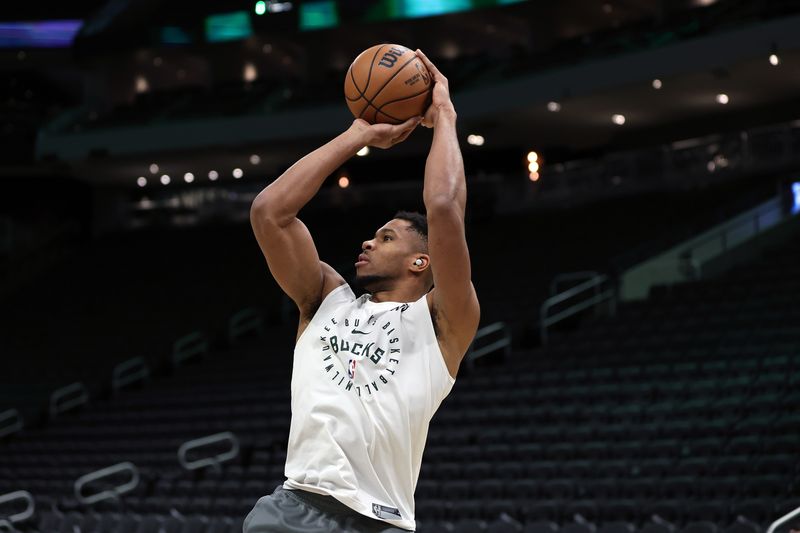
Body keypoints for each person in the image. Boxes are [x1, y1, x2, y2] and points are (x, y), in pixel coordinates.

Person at [244, 49, 480, 533]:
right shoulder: (325, 298)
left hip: (377, 521)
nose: (369, 241)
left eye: (387, 237)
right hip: (292, 508)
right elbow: (269, 212)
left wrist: (445, 114)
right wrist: (357, 135)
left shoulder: (443, 324)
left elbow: (442, 207)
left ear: (422, 260)